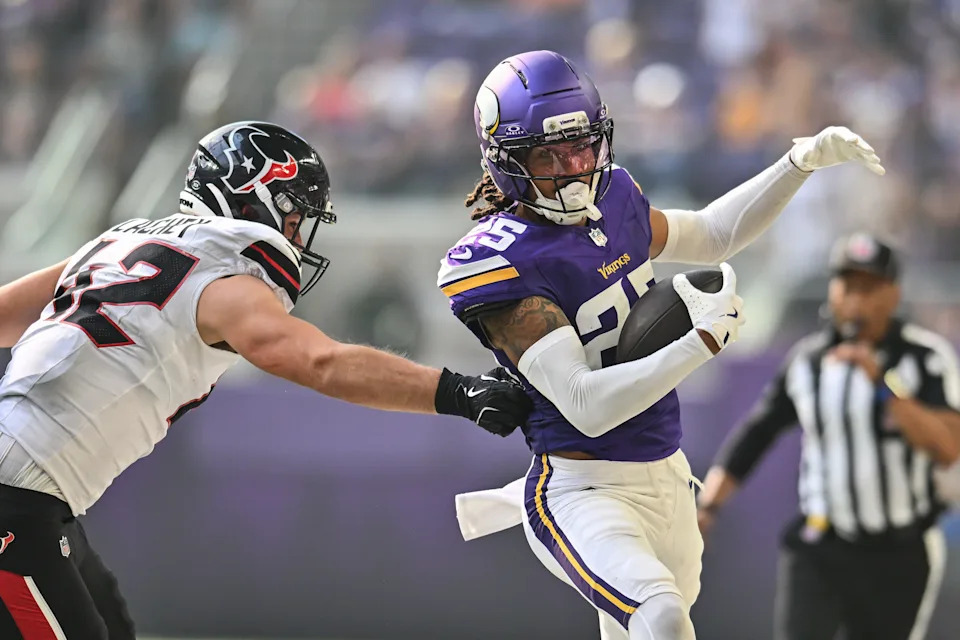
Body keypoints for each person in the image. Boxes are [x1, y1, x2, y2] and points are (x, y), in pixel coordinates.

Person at [0, 121, 532, 639]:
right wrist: (459, 392)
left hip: (36, 493)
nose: (300, 236)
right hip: (19, 496)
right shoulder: (223, 278)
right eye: (297, 216)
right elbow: (320, 362)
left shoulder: (119, 242)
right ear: (256, 198)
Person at [438, 50, 884, 640]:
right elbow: (586, 405)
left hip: (668, 474)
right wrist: (698, 342)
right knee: (661, 617)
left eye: (583, 147)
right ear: (506, 161)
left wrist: (797, 162)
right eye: (549, 155)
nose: (573, 168)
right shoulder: (502, 260)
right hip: (582, 488)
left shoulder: (616, 200)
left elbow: (716, 234)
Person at [698, 233, 960, 640]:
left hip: (898, 550)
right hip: (821, 544)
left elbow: (948, 448)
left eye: (868, 287)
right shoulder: (808, 361)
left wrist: (882, 386)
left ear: (892, 294)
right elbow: (757, 433)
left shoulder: (924, 359)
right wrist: (708, 506)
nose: (855, 299)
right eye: (846, 285)